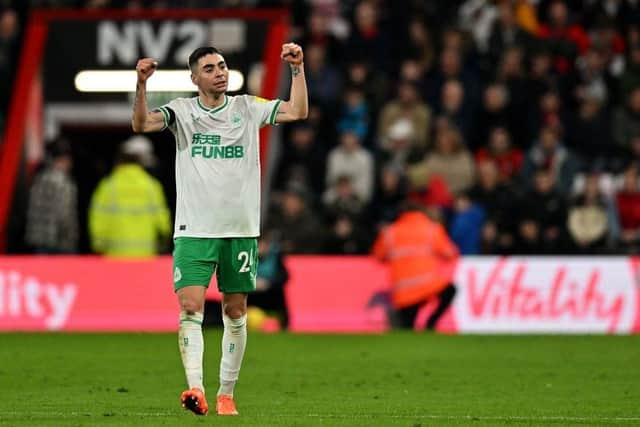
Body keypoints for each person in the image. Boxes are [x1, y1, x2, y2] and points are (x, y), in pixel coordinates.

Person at [131, 44, 307, 416]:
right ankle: (196, 389)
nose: (220, 73)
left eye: (222, 66)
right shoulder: (182, 111)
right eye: (210, 68)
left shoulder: (246, 108)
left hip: (240, 229)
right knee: (190, 306)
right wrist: (142, 85)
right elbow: (142, 124)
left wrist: (297, 69)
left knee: (235, 310)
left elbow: (297, 110)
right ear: (195, 79)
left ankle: (227, 393)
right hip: (194, 229)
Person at [372, 201, 459, 331]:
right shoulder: (432, 229)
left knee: (407, 330)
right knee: (451, 290)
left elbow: (378, 256)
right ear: (421, 212)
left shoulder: (390, 232)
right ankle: (431, 322)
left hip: (403, 293)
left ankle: (397, 318)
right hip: (427, 287)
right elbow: (451, 254)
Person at [88, 136, 171, 257]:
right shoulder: (152, 187)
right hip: (145, 258)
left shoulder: (108, 186)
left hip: (114, 258)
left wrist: (98, 246)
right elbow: (163, 224)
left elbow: (97, 222)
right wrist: (163, 243)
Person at [24, 138, 78, 254]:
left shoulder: (40, 178)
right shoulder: (62, 182)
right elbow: (64, 215)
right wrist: (70, 240)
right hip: (59, 244)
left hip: (39, 240)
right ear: (64, 159)